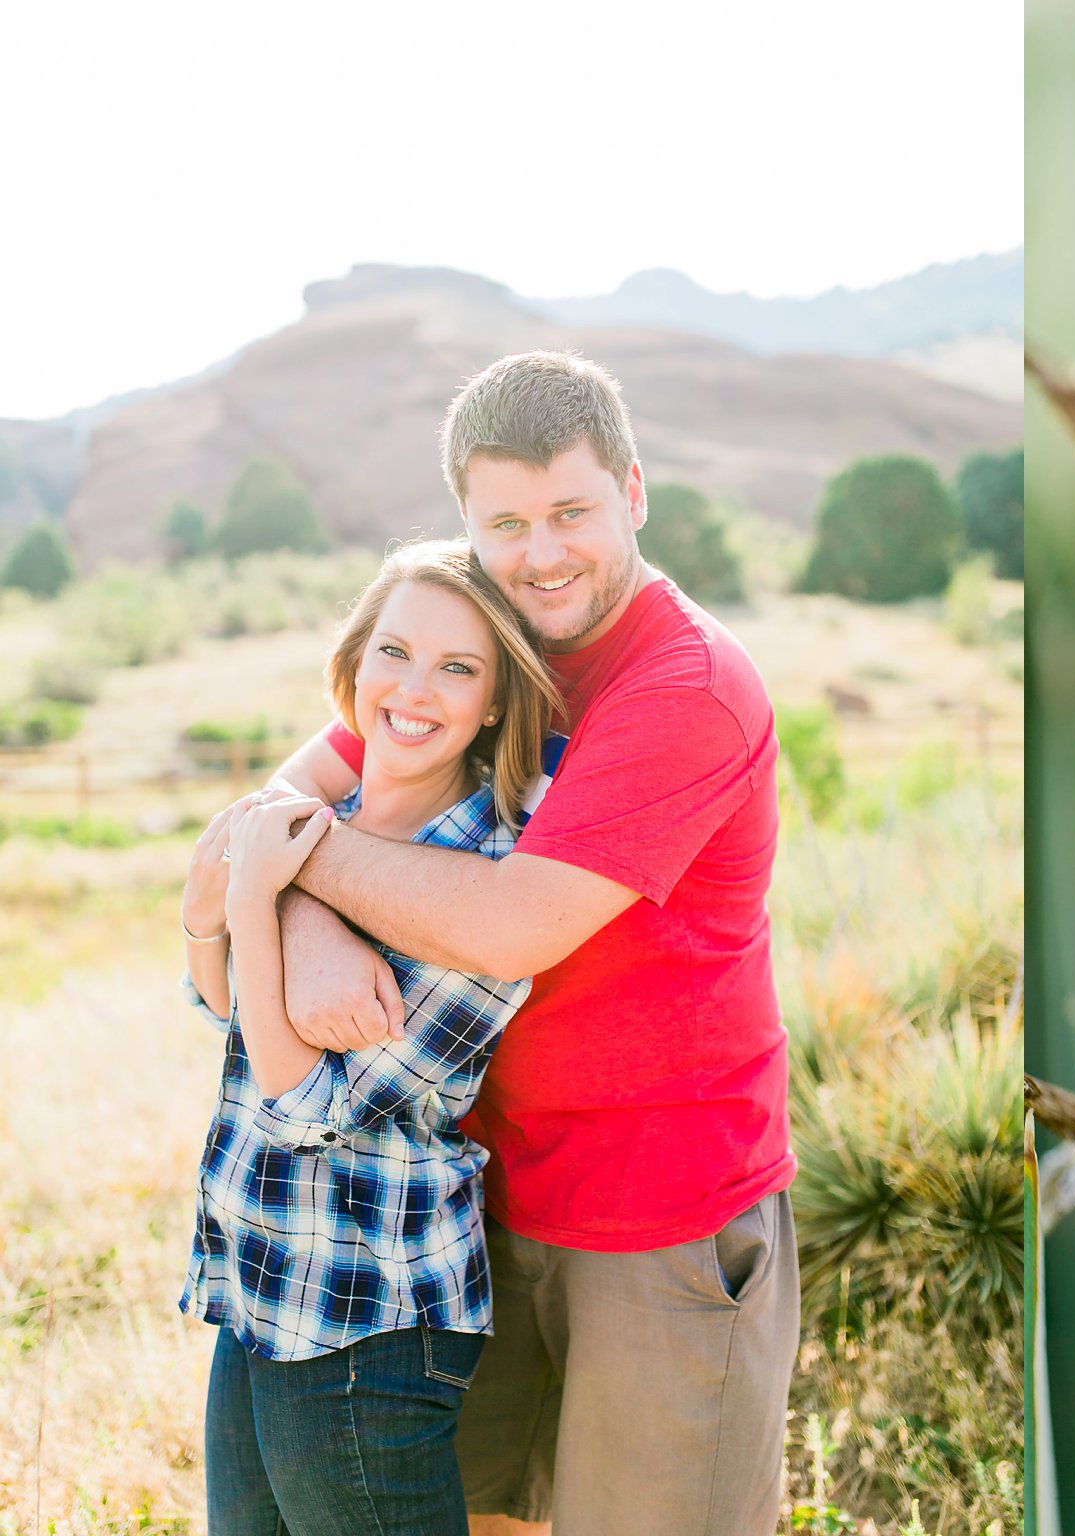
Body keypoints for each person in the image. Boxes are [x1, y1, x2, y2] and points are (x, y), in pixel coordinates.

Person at [265, 351, 799, 1536]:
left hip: (660, 1218)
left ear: (634, 495)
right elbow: (269, 810)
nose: (540, 553)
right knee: (483, 1519)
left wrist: (297, 869)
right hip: (478, 1196)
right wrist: (301, 918)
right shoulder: (475, 652)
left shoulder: (687, 684)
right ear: (466, 521)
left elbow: (516, 925)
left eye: (571, 512)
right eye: (504, 522)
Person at [179, 539, 563, 1535]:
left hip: (367, 1320)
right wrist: (206, 912)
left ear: (492, 704)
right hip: (264, 1287)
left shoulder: (482, 876)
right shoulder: (322, 813)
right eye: (394, 652)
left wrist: (258, 892)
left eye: (458, 668)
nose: (415, 691)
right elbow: (220, 1001)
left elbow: (302, 1098)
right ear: (351, 666)